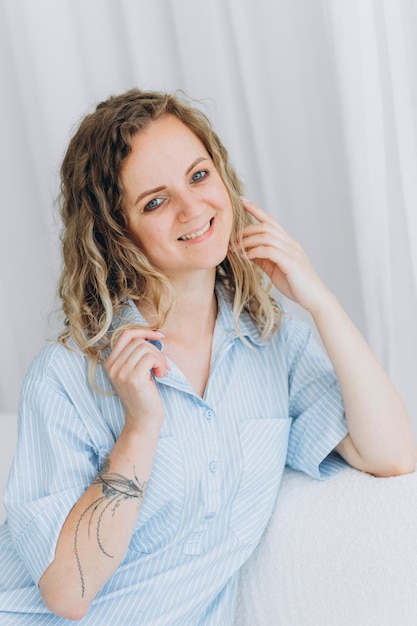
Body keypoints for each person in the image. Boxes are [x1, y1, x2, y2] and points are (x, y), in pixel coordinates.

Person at [0, 88, 416, 625]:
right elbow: (67, 594)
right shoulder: (65, 376)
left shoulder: (272, 340)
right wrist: (139, 430)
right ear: (116, 233)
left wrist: (319, 300)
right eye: (155, 201)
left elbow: (393, 456)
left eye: (199, 176)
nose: (193, 208)